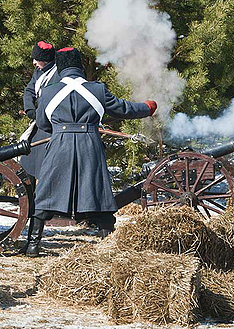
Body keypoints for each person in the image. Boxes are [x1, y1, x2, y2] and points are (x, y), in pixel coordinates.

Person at [25, 47, 157, 257]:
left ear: (60, 67)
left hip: (60, 145)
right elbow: (124, 109)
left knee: (46, 194)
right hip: (90, 146)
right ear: (79, 66)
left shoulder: (49, 91)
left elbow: (42, 122)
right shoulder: (97, 90)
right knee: (98, 195)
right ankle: (109, 247)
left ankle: (33, 245)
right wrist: (147, 108)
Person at [18, 41, 60, 254]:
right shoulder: (39, 71)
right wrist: (30, 110)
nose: (34, 62)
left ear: (49, 60)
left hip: (51, 131)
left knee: (44, 184)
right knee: (27, 173)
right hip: (37, 126)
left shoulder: (58, 74)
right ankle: (24, 222)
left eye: (38, 59)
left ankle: (34, 240)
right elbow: (28, 91)